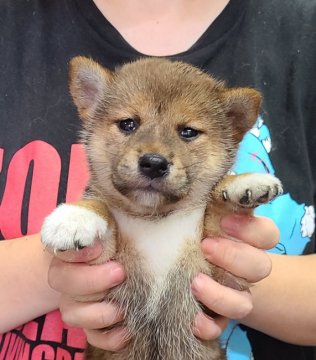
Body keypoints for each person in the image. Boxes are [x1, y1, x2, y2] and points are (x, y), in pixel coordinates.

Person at [0, 0, 315, 359]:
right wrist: (72, 254)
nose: (154, 153)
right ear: (91, 103)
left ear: (232, 128)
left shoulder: (301, 28)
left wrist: (231, 257)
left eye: (188, 132)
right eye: (128, 124)